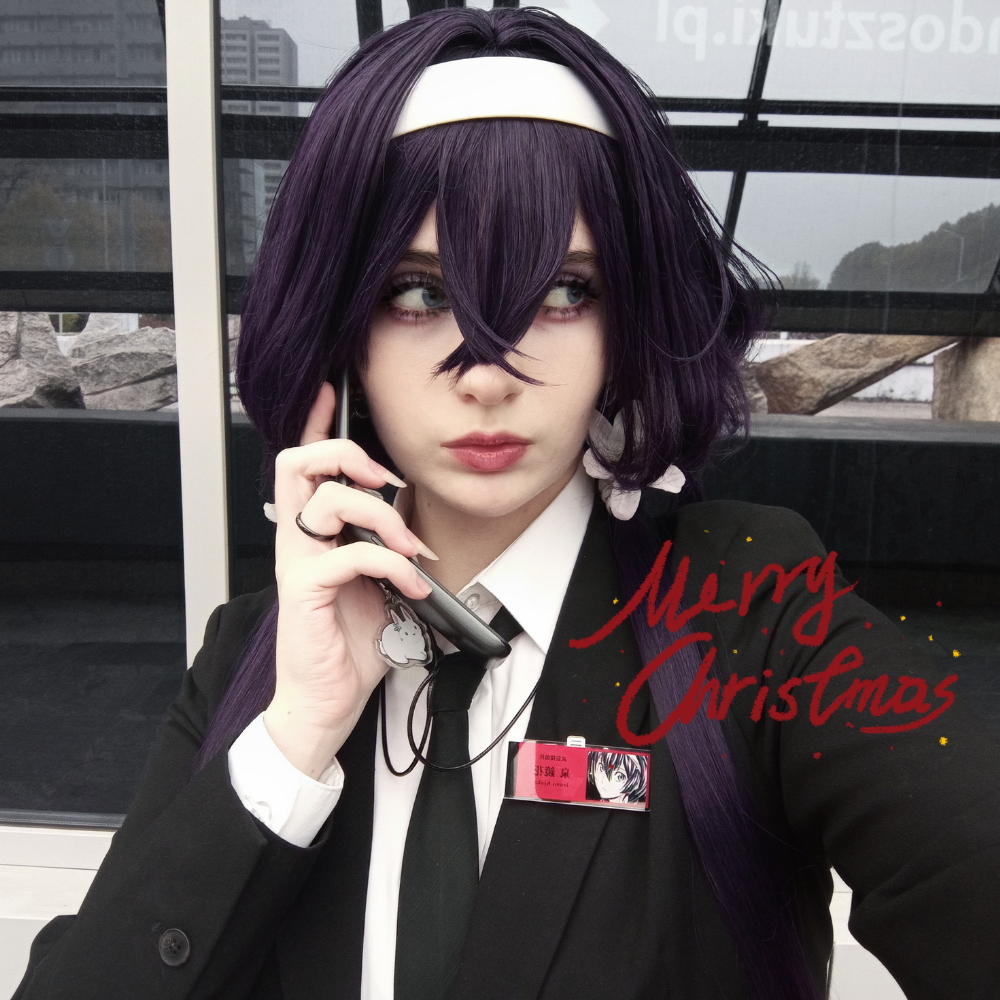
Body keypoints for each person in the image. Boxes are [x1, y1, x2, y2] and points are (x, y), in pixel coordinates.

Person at [15, 8, 1000, 1000]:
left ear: (627, 321)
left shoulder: (748, 610)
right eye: (416, 292)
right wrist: (295, 738)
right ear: (340, 333)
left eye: (563, 291)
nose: (487, 375)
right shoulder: (254, 658)